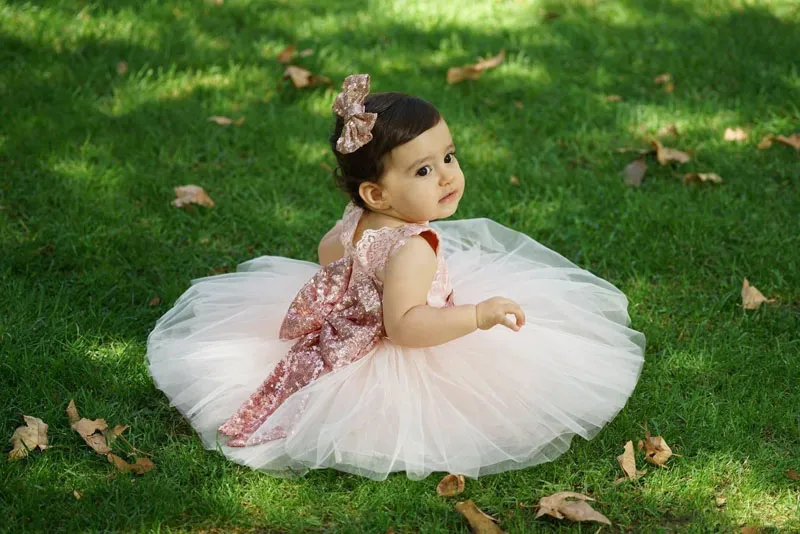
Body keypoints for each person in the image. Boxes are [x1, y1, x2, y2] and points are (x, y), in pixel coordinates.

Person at [146, 74, 645, 481]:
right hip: (399, 337)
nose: (449, 176)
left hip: (353, 320)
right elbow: (406, 328)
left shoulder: (357, 218)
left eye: (448, 157)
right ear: (377, 194)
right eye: (424, 171)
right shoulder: (414, 248)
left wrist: (358, 283)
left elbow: (328, 252)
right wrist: (475, 315)